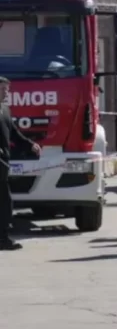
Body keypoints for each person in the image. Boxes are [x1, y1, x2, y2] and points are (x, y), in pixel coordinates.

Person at [0, 76, 41, 251]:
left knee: (4, 202)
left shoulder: (5, 109)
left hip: (3, 162)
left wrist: (30, 144)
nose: (6, 93)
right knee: (4, 201)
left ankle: (2, 238)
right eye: (3, 89)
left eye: (7, 89)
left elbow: (14, 133)